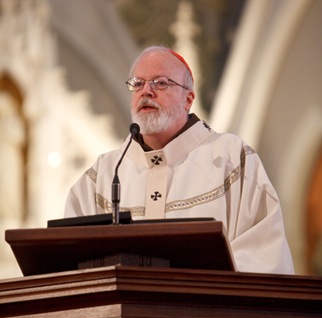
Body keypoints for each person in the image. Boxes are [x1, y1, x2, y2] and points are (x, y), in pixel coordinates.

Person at [64, 45, 294, 274]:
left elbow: (263, 253)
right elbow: (70, 260)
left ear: (188, 99)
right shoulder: (102, 174)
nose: (146, 91)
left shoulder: (232, 158)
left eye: (160, 83)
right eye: (138, 83)